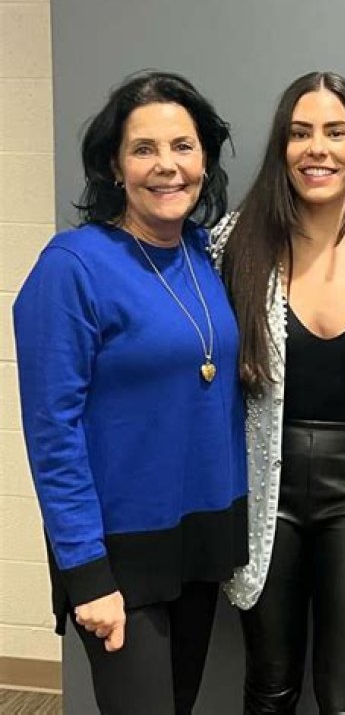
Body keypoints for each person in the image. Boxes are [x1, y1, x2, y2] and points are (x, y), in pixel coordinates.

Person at [13, 71, 248, 715]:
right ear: (115, 167)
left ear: (204, 159)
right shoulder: (72, 267)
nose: (167, 165)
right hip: (117, 555)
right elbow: (52, 433)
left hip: (197, 538)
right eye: (144, 149)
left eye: (183, 146)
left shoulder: (202, 254)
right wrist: (86, 573)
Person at [211, 71, 345, 715]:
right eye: (300, 133)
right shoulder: (235, 242)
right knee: (270, 690)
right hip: (264, 494)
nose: (317, 149)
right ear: (282, 146)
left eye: (336, 132)